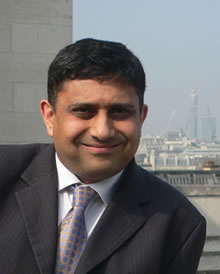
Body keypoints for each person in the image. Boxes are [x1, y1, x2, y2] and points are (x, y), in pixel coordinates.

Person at [0, 38, 206, 274]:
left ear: (141, 117)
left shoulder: (179, 223)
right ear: (50, 116)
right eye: (84, 111)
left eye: (120, 112)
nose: (102, 131)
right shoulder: (5, 173)